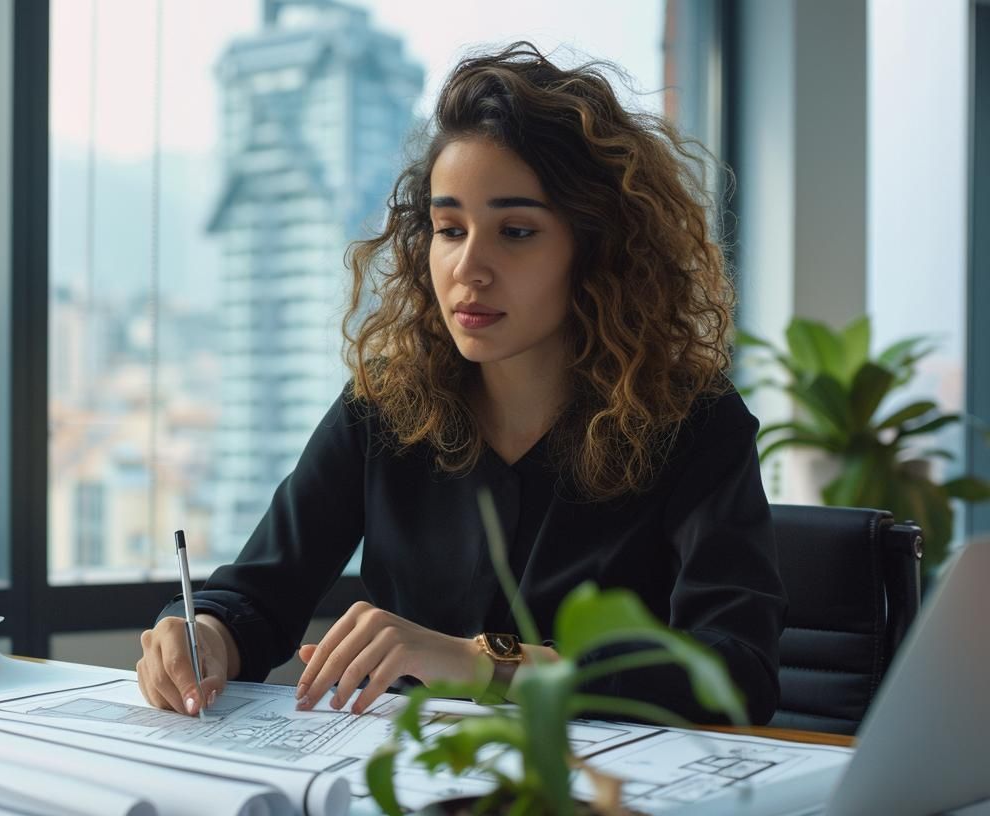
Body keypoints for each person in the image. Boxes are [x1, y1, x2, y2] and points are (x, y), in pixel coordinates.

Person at [138, 42, 786, 726]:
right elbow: (260, 595)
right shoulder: (385, 406)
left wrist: (489, 663)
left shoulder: (693, 422)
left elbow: (735, 672)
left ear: (596, 248)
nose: (468, 268)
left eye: (515, 231)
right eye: (450, 229)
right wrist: (205, 634)